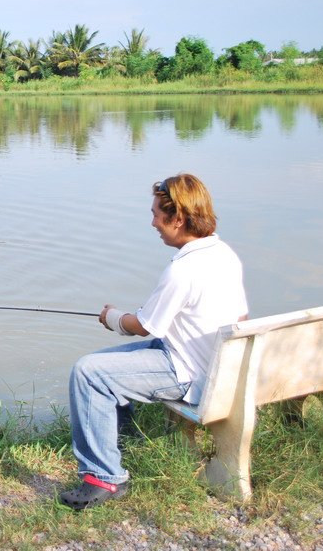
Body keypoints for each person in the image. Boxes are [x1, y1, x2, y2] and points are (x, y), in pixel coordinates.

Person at [59, 173, 248, 511]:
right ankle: (124, 443)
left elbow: (144, 326)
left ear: (178, 218)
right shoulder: (223, 254)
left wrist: (113, 317)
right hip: (218, 368)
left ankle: (103, 477)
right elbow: (241, 319)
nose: (153, 223)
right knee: (107, 364)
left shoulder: (183, 269)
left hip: (192, 374)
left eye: (156, 215)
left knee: (89, 372)